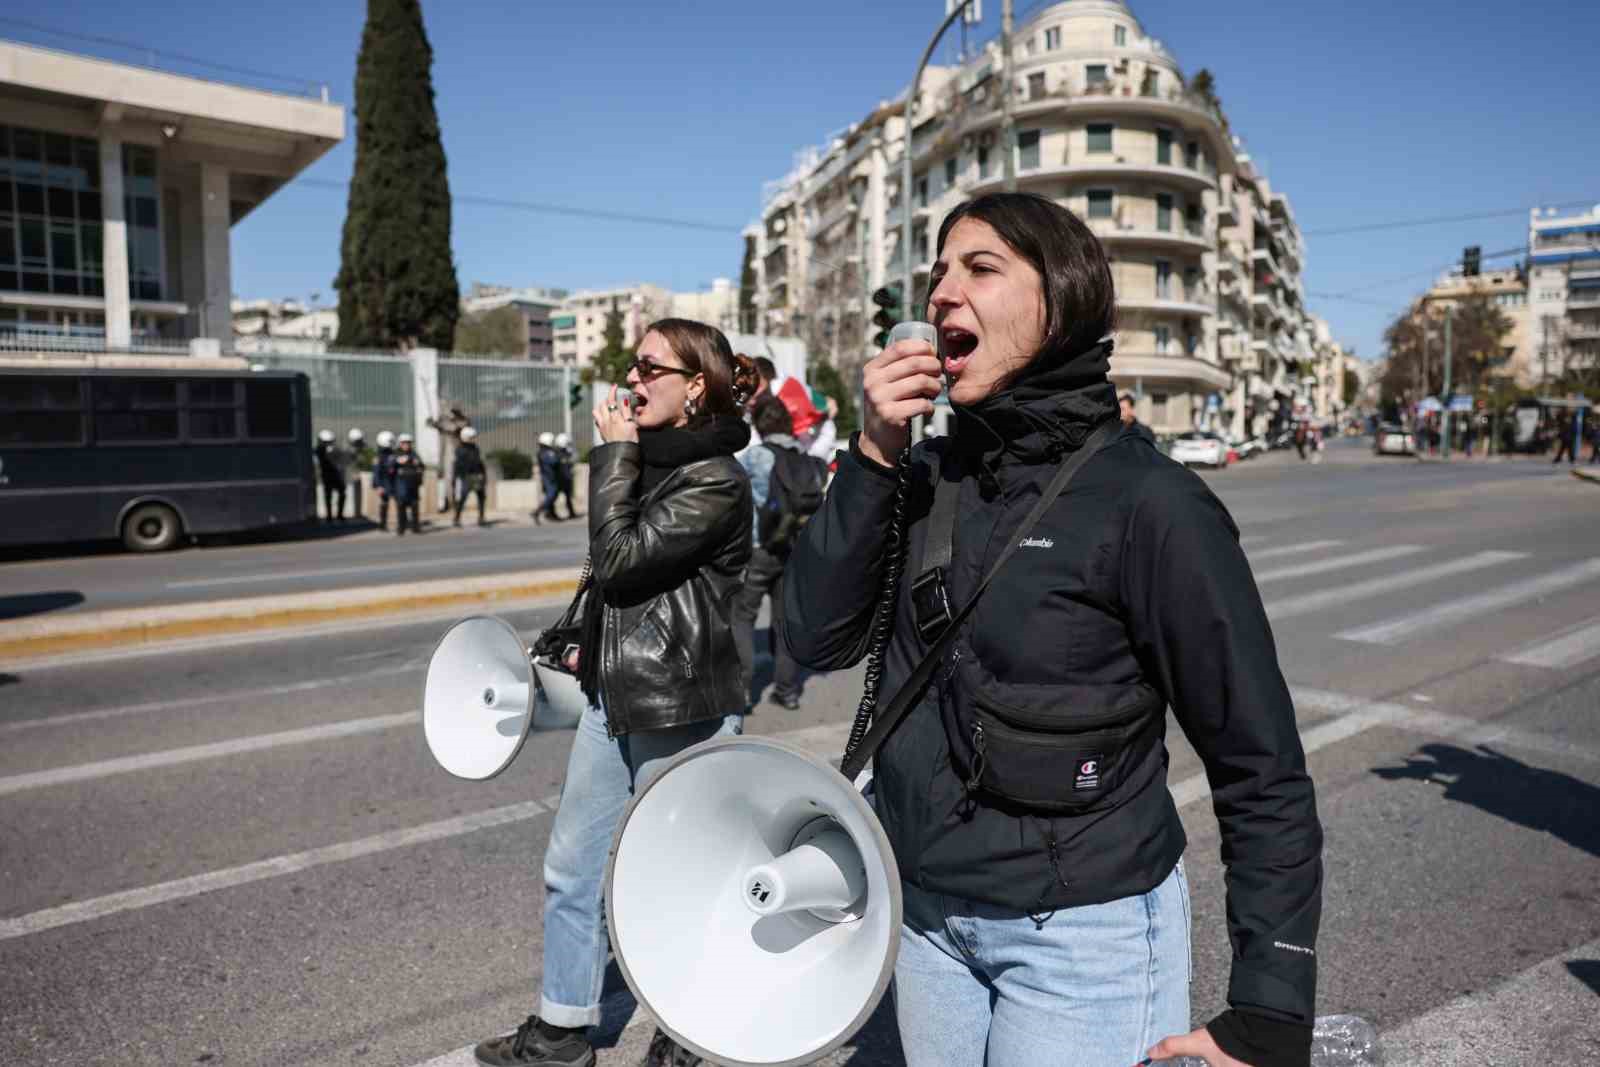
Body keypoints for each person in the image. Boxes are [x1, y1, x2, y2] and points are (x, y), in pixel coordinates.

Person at [784, 193, 1323, 1067]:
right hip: (926, 923)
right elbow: (811, 637)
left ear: (1060, 299)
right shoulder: (922, 473)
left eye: (981, 268)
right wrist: (874, 452)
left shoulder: (1151, 503)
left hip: (1080, 941)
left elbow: (1259, 763)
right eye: (938, 275)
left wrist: (1270, 1004)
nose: (941, 295)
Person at [473, 319, 759, 1067]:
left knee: (676, 877)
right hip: (612, 695)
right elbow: (614, 581)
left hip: (682, 705)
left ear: (695, 386)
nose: (630, 381)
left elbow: (622, 558)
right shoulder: (650, 464)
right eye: (631, 367)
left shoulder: (715, 479)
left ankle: (685, 1034)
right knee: (572, 865)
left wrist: (612, 455)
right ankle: (564, 1028)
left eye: (647, 367)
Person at [732, 397, 815, 710]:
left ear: (759, 425)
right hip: (791, 549)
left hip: (758, 548)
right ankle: (788, 690)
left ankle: (741, 693)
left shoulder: (755, 456)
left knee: (742, 617)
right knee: (783, 621)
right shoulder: (801, 455)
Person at [429, 405, 472, 512]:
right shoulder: (446, 422)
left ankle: (457, 501)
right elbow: (436, 425)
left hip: (458, 454)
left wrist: (440, 424)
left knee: (457, 479)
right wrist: (435, 423)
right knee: (445, 478)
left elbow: (455, 427)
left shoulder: (463, 422)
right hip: (446, 454)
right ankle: (445, 502)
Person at [388, 433, 425, 535]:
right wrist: (396, 462)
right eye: (404, 443)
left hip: (413, 484)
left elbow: (422, 466)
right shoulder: (395, 454)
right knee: (401, 507)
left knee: (415, 506)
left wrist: (418, 464)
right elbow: (390, 469)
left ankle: (415, 527)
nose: (406, 445)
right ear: (400, 444)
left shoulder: (414, 454)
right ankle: (401, 528)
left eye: (408, 443)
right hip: (401, 485)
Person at [453, 426, 488, 527]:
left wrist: (482, 473)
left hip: (476, 476)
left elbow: (478, 462)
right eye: (471, 437)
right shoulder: (460, 449)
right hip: (466, 476)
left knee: (481, 496)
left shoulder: (475, 448)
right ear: (465, 437)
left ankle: (481, 517)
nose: (473, 439)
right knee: (462, 498)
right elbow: (461, 465)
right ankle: (456, 518)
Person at [313, 429, 347, 523]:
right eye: (326, 442)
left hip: (336, 476)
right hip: (326, 476)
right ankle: (329, 516)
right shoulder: (319, 451)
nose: (328, 444)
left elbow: (342, 460)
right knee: (328, 496)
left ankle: (339, 515)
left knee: (342, 493)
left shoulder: (335, 450)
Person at [372, 431, 397, 531]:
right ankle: (382, 524)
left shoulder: (392, 454)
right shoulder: (379, 456)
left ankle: (402, 522)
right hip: (384, 483)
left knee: (399, 502)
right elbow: (376, 472)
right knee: (384, 503)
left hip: (393, 482)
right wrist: (378, 486)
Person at [536, 431, 562, 524]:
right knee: (551, 495)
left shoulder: (544, 451)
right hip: (549, 477)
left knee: (552, 495)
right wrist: (558, 455)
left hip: (549, 477)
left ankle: (551, 514)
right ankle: (537, 511)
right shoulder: (546, 453)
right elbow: (554, 462)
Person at [554, 432, 579, 519]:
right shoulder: (561, 453)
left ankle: (571, 513)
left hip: (564, 478)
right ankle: (550, 512)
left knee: (567, 497)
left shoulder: (561, 452)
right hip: (563, 478)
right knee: (554, 496)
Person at [346, 428, 368, 518]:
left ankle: (358, 512)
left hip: (359, 474)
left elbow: (365, 460)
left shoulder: (363, 449)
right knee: (353, 495)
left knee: (359, 495)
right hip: (351, 475)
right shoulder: (349, 450)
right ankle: (355, 513)